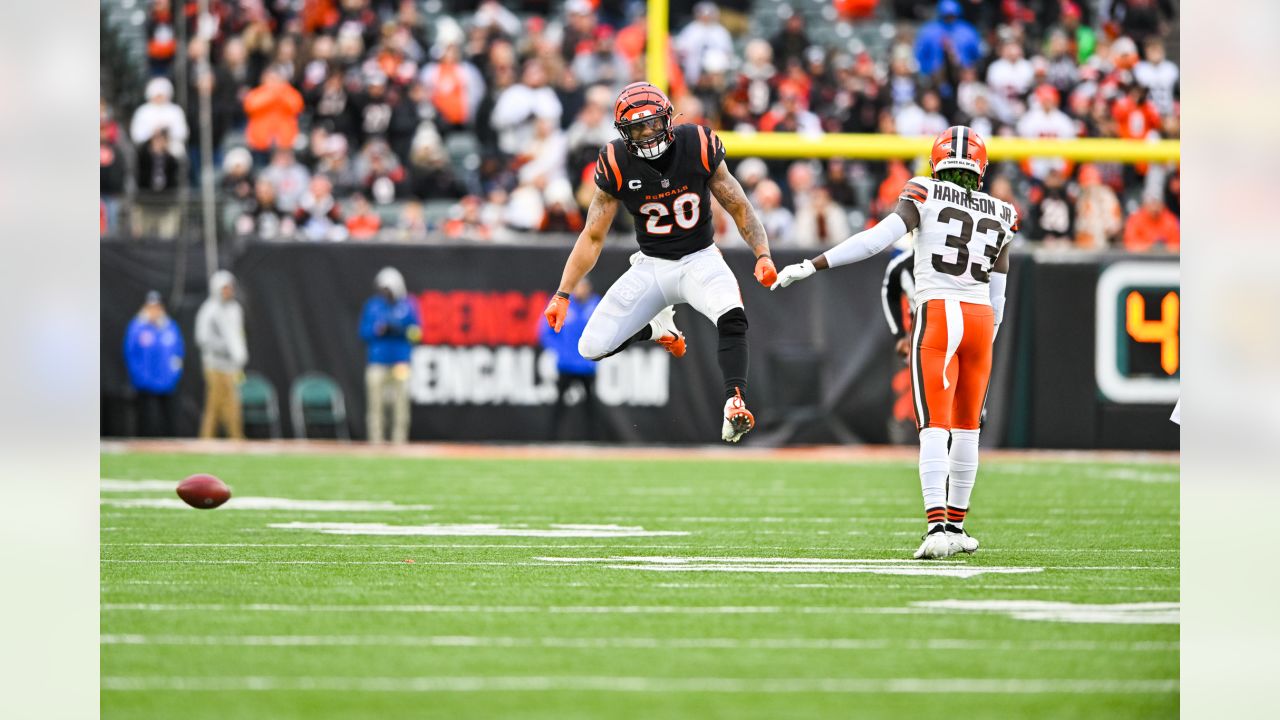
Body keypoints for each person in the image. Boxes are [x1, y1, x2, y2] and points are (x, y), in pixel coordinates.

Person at [772, 126, 1018, 559]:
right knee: (966, 429)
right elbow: (999, 294)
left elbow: (876, 240)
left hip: (938, 312)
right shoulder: (1002, 211)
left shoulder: (924, 191)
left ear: (936, 162)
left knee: (933, 426)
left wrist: (814, 264)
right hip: (979, 319)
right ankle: (957, 526)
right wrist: (988, 340)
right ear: (980, 168)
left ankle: (937, 527)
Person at [543, 82, 776, 444]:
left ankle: (734, 401)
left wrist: (762, 254)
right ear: (624, 133)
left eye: (652, 123)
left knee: (732, 314)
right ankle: (658, 330)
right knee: (590, 347)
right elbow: (592, 236)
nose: (647, 134)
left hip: (700, 258)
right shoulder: (616, 161)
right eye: (636, 128)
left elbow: (738, 205)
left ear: (667, 119)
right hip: (651, 265)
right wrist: (562, 292)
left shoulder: (697, 143)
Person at [359, 267, 421, 444]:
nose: (386, 293)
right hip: (377, 361)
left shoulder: (408, 305)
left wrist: (400, 329)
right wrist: (377, 330)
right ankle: (376, 441)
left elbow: (417, 333)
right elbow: (363, 333)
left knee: (401, 403)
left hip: (401, 361)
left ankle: (399, 441)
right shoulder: (373, 305)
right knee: (375, 404)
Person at [539, 278, 601, 440]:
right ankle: (550, 439)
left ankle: (594, 439)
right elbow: (546, 332)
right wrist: (561, 351)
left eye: (584, 287)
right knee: (559, 405)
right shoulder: (563, 304)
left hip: (588, 364)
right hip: (566, 364)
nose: (581, 290)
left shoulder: (597, 305)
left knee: (591, 406)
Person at [195, 270, 248, 439]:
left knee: (233, 404)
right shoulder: (209, 310)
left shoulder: (235, 309)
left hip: (231, 366)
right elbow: (202, 338)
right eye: (224, 288)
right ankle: (207, 438)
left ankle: (236, 438)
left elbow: (238, 335)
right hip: (214, 364)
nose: (228, 291)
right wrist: (223, 348)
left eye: (229, 288)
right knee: (214, 404)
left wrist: (239, 354)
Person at [124, 291, 185, 437]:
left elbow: (178, 354)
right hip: (145, 384)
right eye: (151, 307)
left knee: (168, 421)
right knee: (146, 421)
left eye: (157, 307)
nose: (154, 311)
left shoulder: (170, 327)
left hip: (167, 383)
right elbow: (131, 354)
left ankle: (170, 451)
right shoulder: (137, 328)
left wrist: (173, 375)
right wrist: (139, 377)